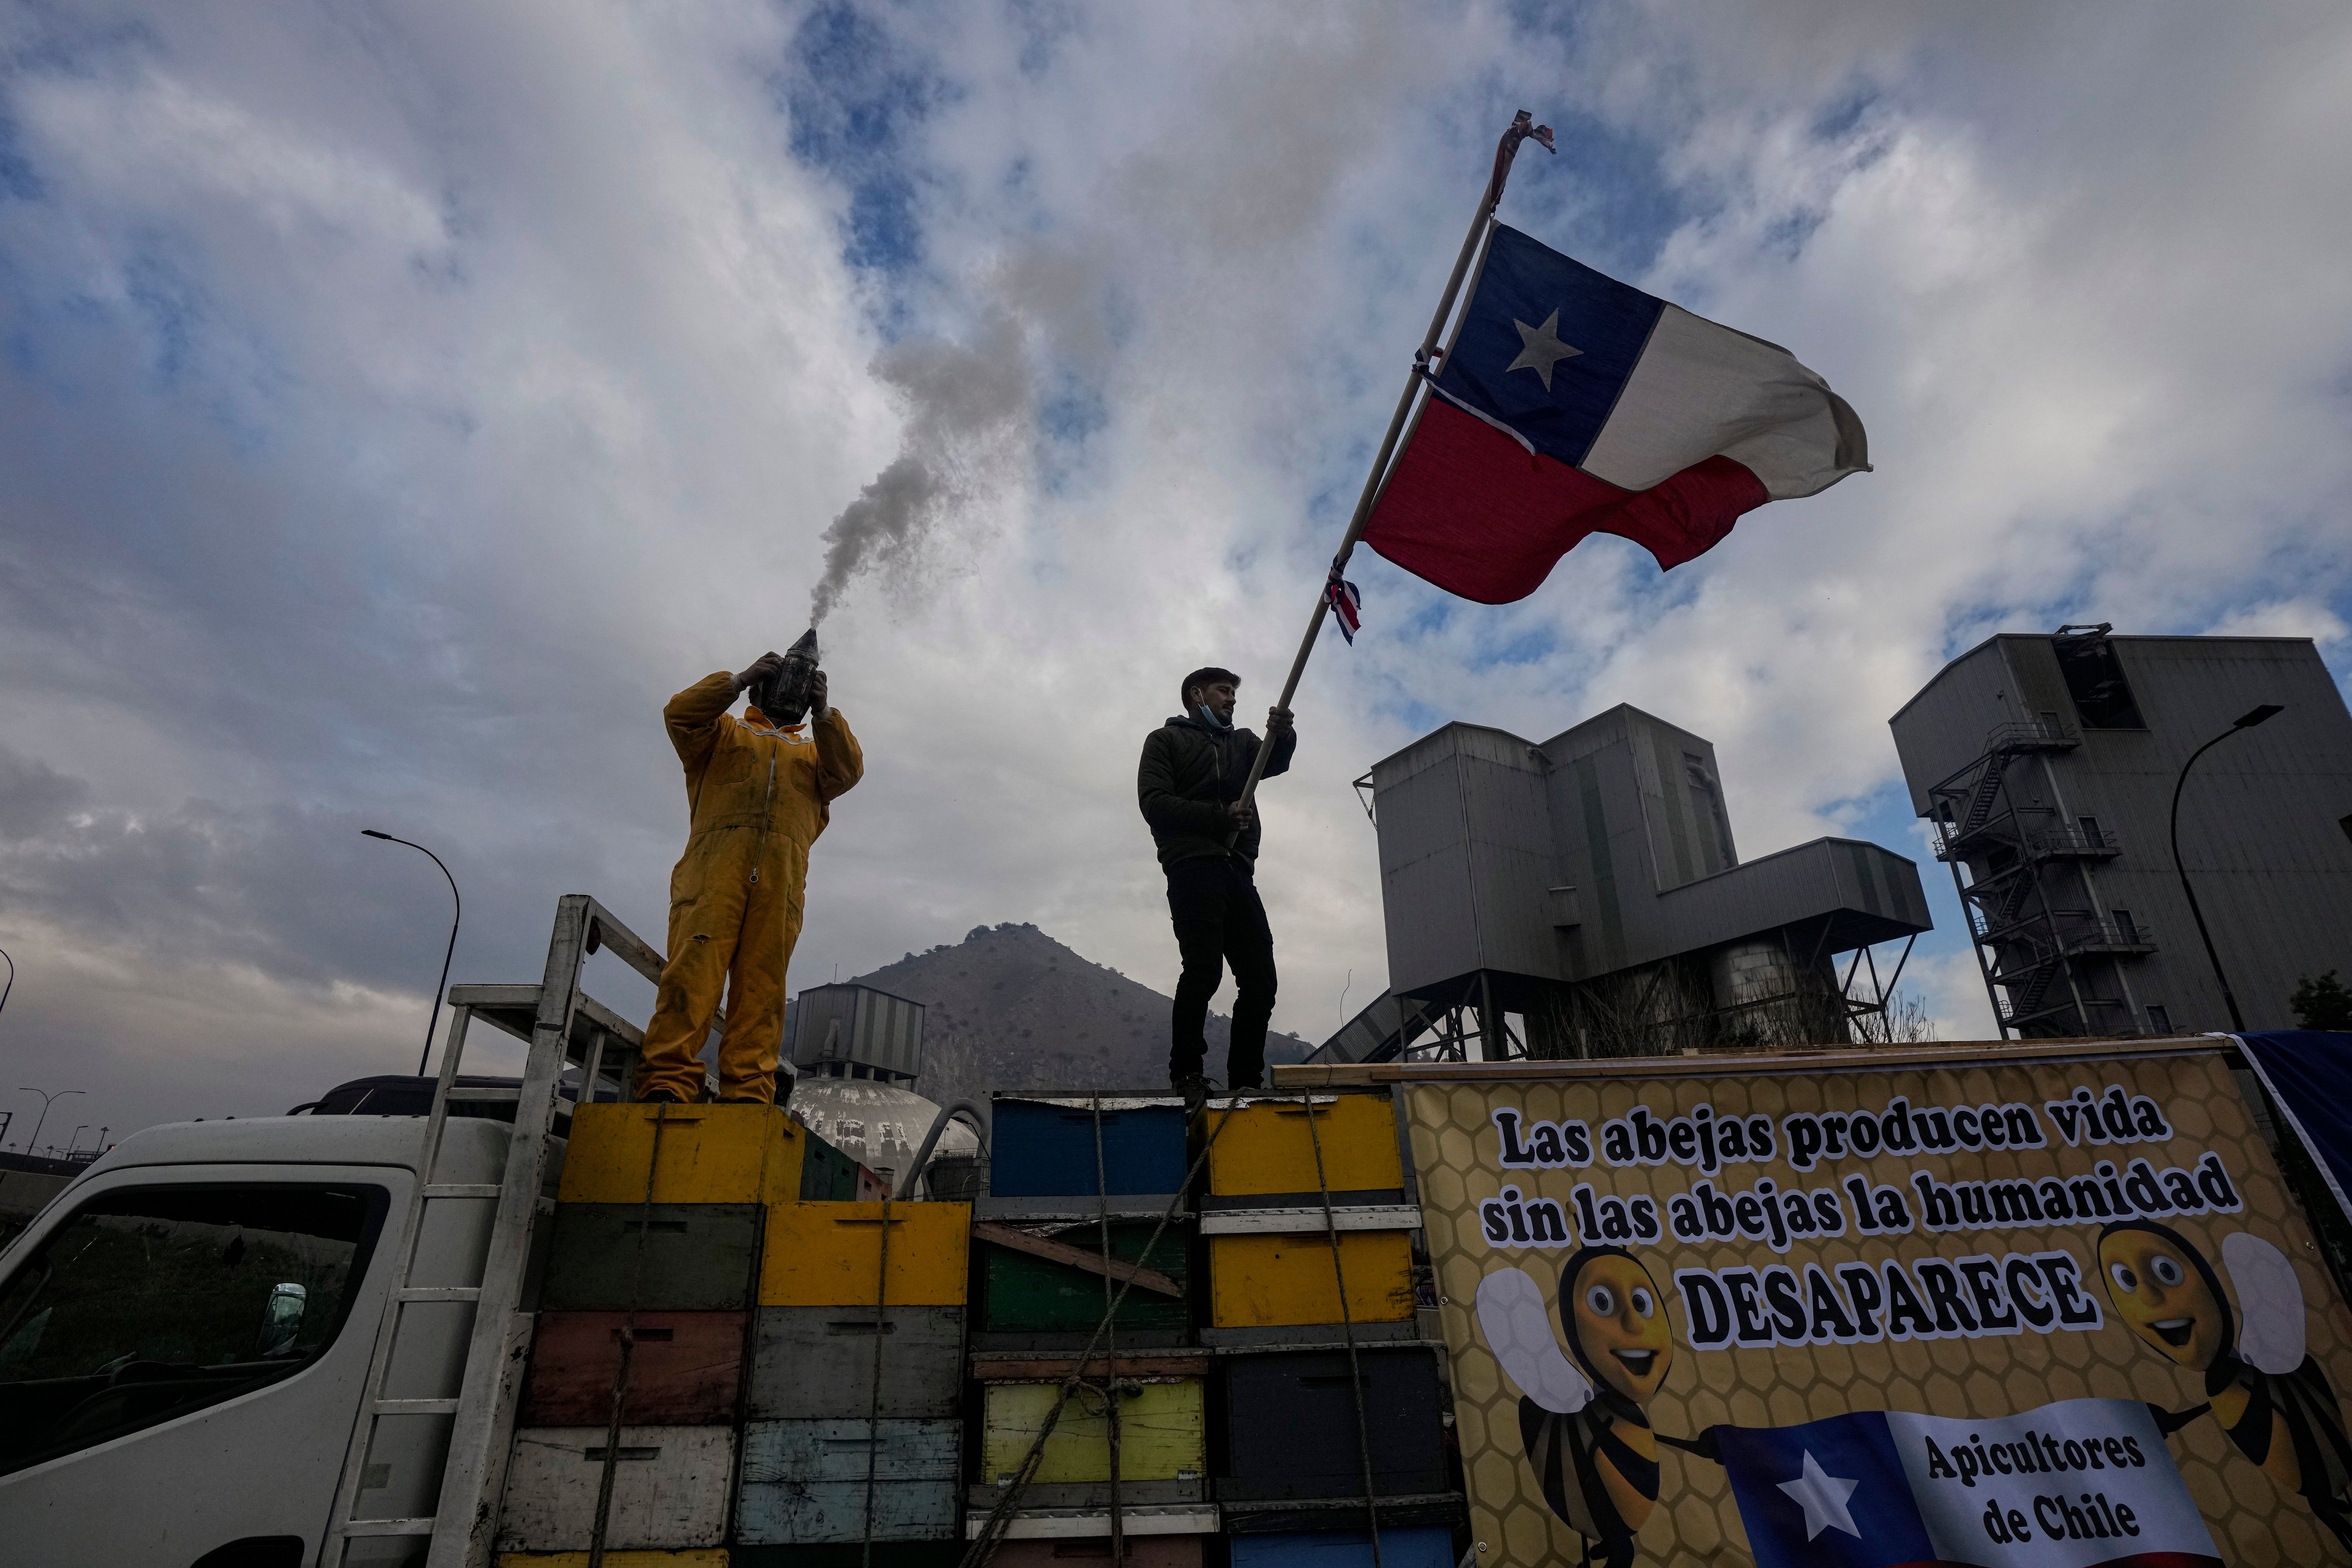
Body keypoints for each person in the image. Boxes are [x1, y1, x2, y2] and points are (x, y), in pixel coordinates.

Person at [637, 650, 863, 1104]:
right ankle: (668, 1082)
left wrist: (825, 713)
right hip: (710, 879)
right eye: (780, 680)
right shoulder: (722, 732)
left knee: (762, 989)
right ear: (761, 686)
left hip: (780, 889)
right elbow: (679, 714)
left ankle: (747, 1092)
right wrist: (738, 680)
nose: (790, 691)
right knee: (692, 977)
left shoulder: (816, 752)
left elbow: (849, 772)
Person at [1137, 667, 1295, 1096]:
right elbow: (1154, 804)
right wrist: (1218, 816)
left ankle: (1247, 1081)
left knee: (1261, 981)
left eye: (1234, 693)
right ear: (1197, 695)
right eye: (1224, 691)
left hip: (1237, 869)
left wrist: (1284, 733)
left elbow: (1275, 762)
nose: (1232, 699)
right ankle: (1187, 1075)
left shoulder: (1243, 743)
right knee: (1204, 971)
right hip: (1192, 867)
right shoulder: (1165, 742)